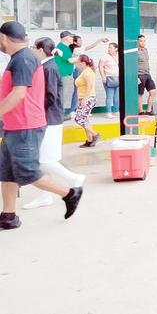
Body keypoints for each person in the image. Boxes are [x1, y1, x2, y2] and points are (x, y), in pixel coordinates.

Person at [0, 21, 83, 230]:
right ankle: (8, 216)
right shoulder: (20, 58)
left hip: (25, 126)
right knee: (7, 172)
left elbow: (18, 94)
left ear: (3, 38)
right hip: (14, 125)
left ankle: (70, 193)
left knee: (28, 173)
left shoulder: (23, 59)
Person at [23, 37, 85, 210]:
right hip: (50, 117)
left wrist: (37, 112)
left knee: (44, 161)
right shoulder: (47, 66)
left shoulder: (49, 68)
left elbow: (50, 96)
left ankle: (74, 178)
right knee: (45, 158)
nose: (32, 50)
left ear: (40, 50)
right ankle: (45, 196)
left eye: (33, 47)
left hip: (49, 118)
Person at [68, 35, 109, 118]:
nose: (81, 42)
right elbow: (91, 46)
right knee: (78, 90)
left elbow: (90, 47)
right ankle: (73, 110)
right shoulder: (76, 50)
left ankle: (82, 109)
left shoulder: (77, 49)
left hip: (82, 70)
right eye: (79, 41)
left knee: (84, 89)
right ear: (75, 42)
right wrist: (100, 39)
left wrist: (100, 40)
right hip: (79, 71)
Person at [74, 55, 100, 148]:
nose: (76, 64)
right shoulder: (85, 71)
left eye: (77, 62)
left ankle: (95, 134)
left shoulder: (88, 72)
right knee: (85, 120)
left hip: (88, 99)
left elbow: (89, 86)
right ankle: (89, 140)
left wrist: (84, 99)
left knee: (79, 119)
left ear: (83, 63)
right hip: (85, 98)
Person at [54, 31, 75, 119]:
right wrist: (82, 59)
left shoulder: (61, 47)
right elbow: (70, 60)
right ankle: (60, 115)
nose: (73, 39)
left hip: (62, 74)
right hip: (64, 75)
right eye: (71, 37)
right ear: (66, 37)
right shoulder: (63, 47)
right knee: (63, 95)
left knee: (61, 94)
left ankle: (59, 114)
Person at [98, 42, 120, 118]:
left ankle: (116, 111)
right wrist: (103, 77)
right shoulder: (105, 56)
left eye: (111, 47)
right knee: (109, 96)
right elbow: (100, 66)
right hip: (109, 78)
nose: (109, 49)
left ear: (116, 49)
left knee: (117, 97)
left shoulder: (119, 56)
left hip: (118, 78)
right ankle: (108, 112)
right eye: (109, 47)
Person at [137, 35, 156, 115]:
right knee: (140, 94)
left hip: (147, 74)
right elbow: (132, 64)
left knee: (153, 92)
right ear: (137, 42)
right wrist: (136, 77)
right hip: (139, 75)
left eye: (144, 41)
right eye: (141, 41)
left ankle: (148, 110)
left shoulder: (145, 50)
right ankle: (140, 111)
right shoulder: (135, 51)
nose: (143, 42)